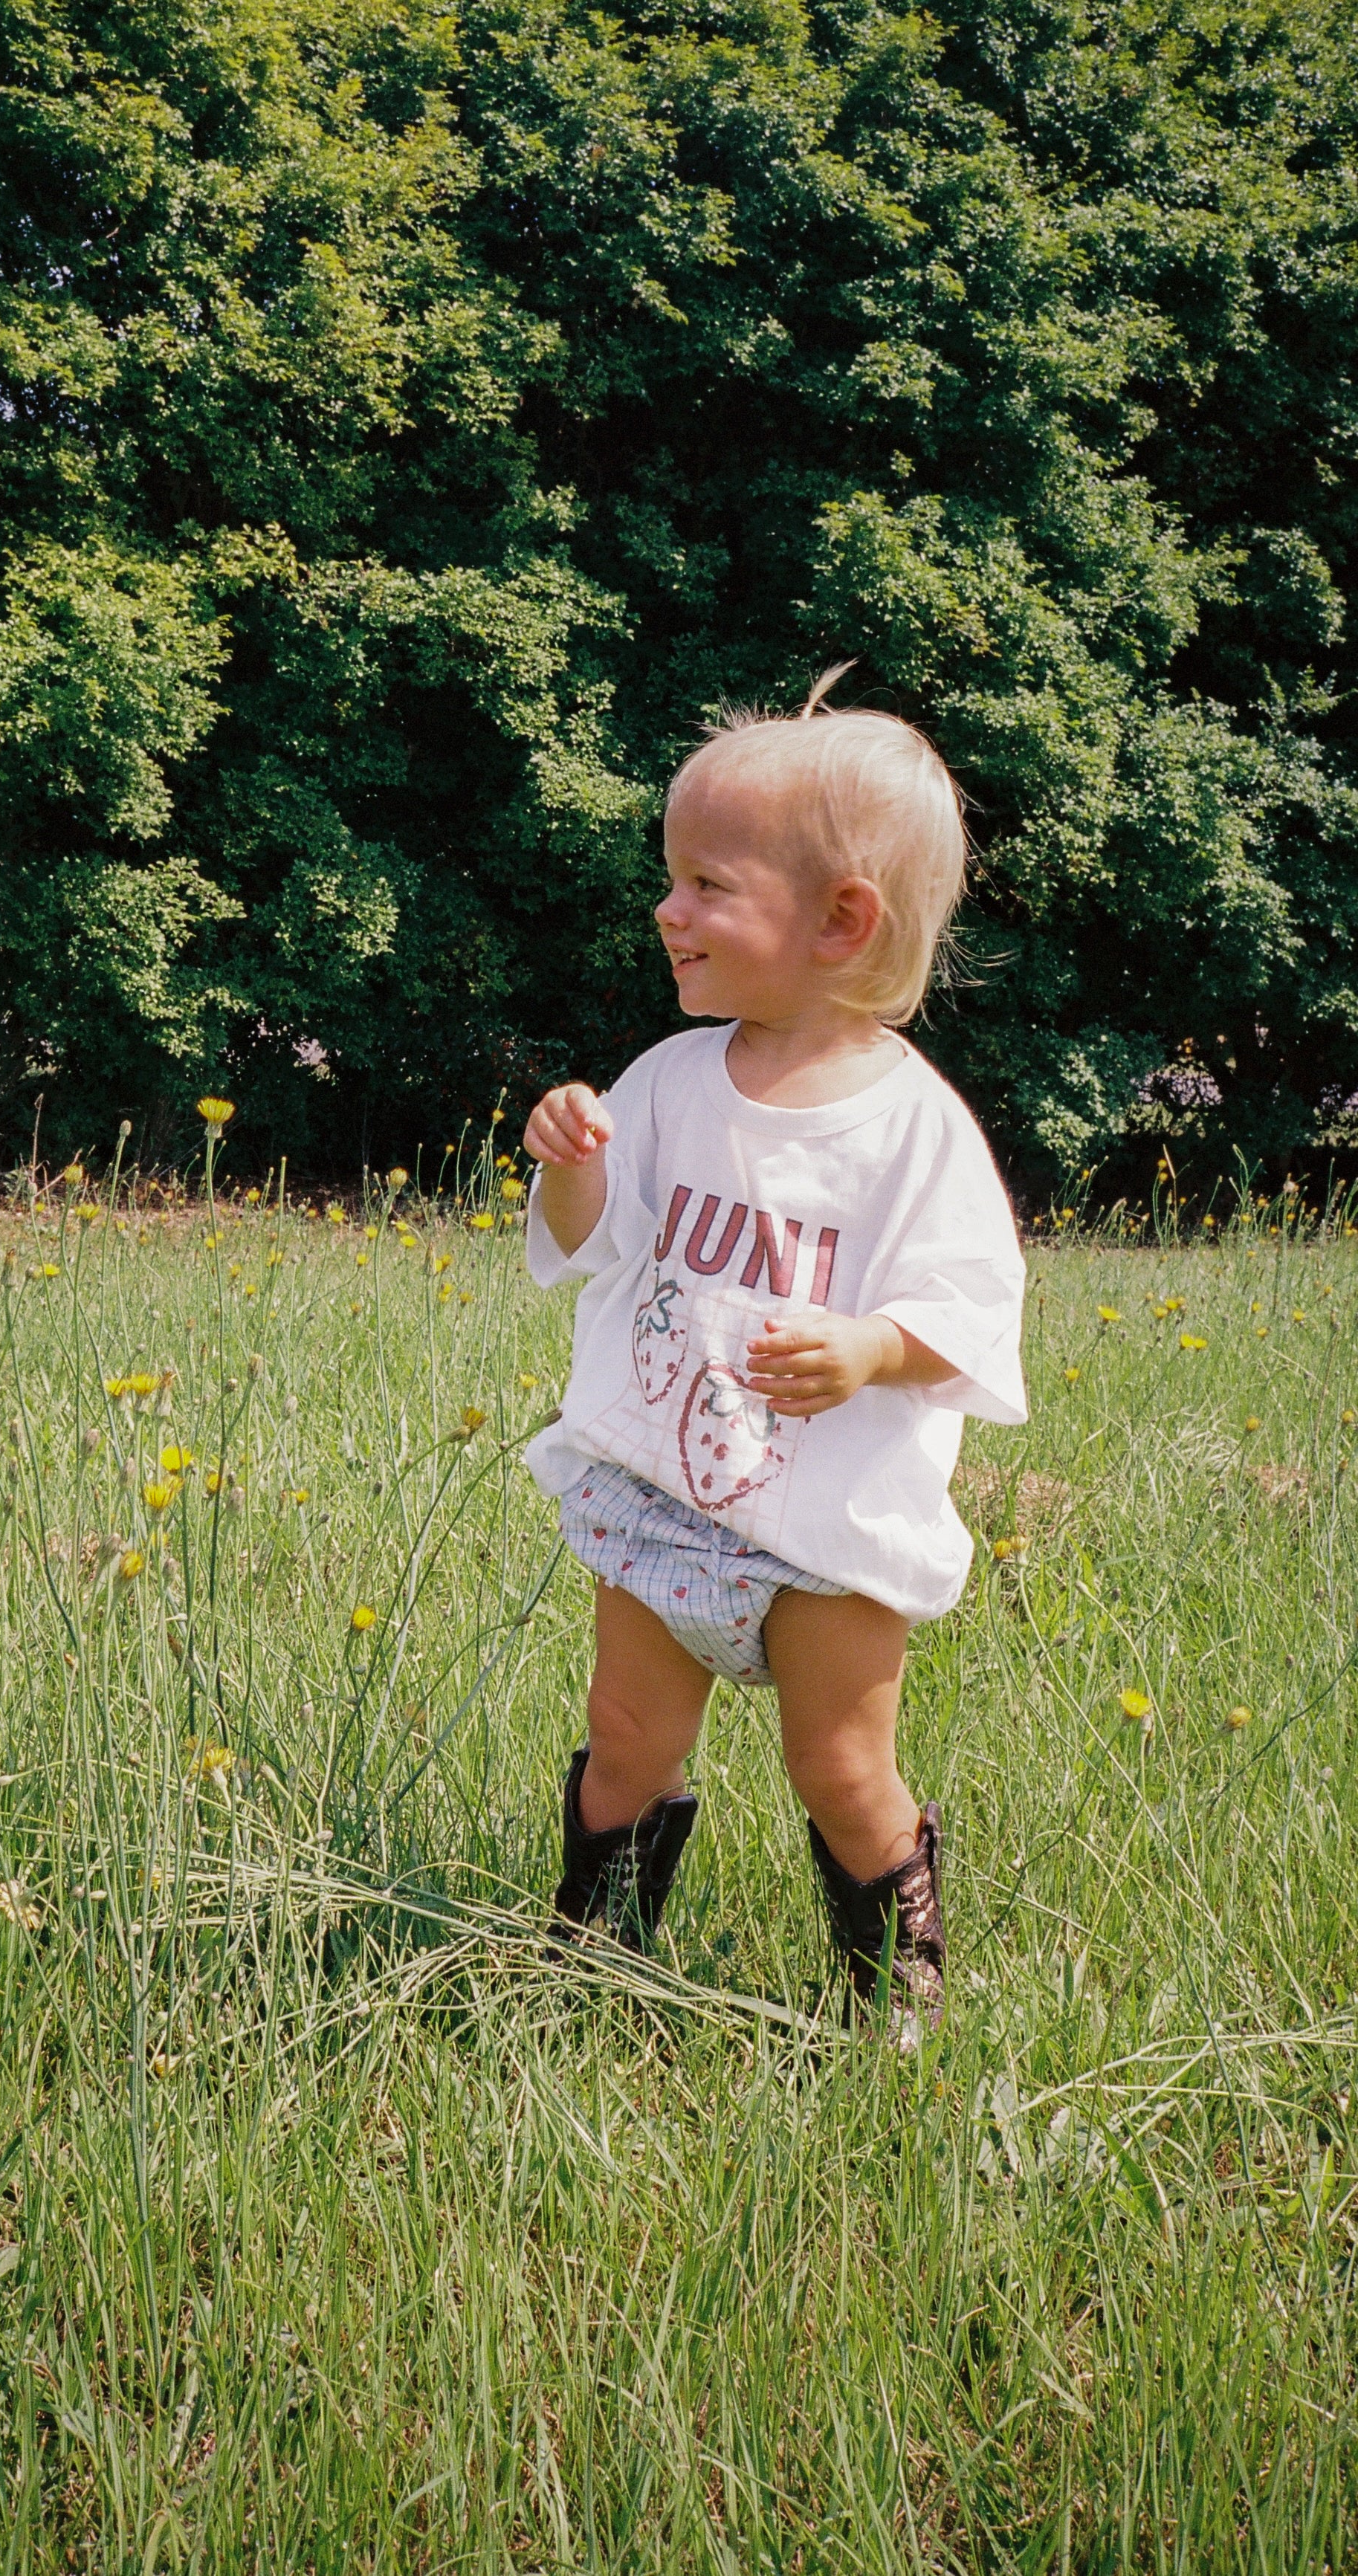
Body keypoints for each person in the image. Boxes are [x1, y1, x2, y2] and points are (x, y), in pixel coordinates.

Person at [522, 666, 1026, 2029]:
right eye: (669, 878)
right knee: (627, 1740)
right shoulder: (669, 1082)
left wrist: (870, 1344)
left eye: (704, 884)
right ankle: (596, 1957)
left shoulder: (910, 1128)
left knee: (839, 1764)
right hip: (662, 1494)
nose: (666, 909)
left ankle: (892, 1992)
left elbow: (971, 1302)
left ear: (839, 919)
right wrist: (568, 1163)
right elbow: (590, 1238)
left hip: (821, 1524)